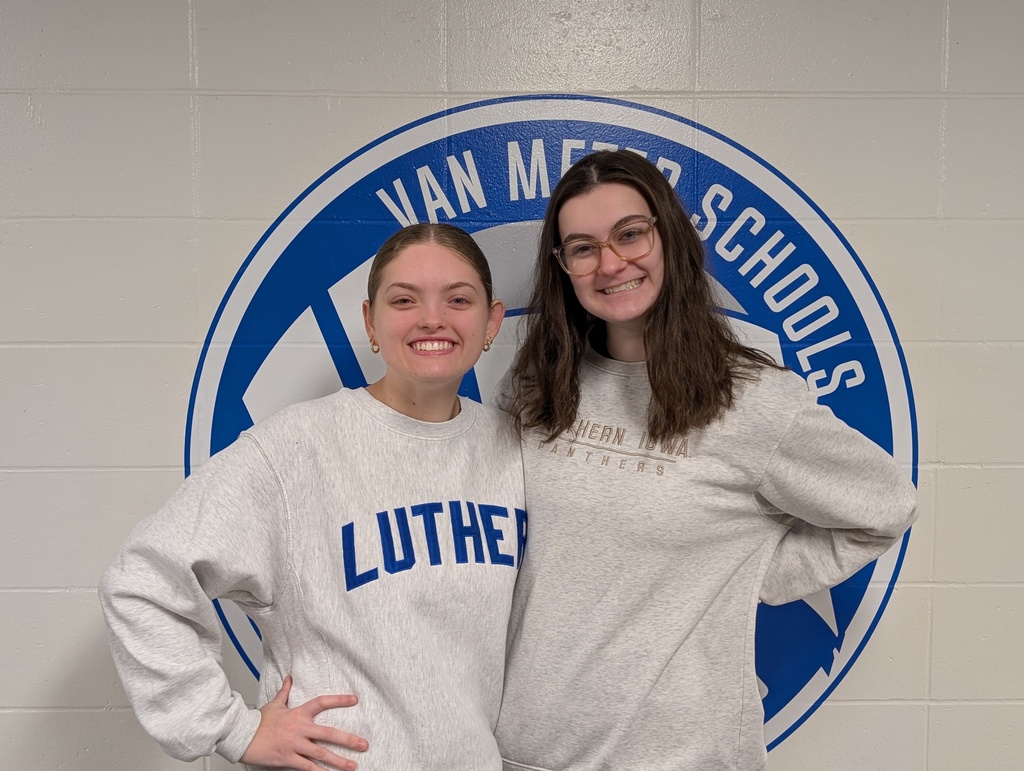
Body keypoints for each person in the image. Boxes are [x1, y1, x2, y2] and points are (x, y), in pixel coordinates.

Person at [494, 150, 917, 771]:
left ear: (670, 235)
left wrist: (747, 576)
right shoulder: (540, 382)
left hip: (681, 757)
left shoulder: (754, 401)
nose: (610, 263)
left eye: (630, 234)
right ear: (563, 267)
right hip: (527, 754)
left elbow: (885, 507)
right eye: (582, 248)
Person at [100, 223, 527, 771]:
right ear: (371, 321)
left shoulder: (514, 451)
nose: (432, 319)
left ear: (491, 320)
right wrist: (231, 728)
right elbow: (142, 579)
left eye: (458, 299)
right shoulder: (294, 450)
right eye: (404, 300)